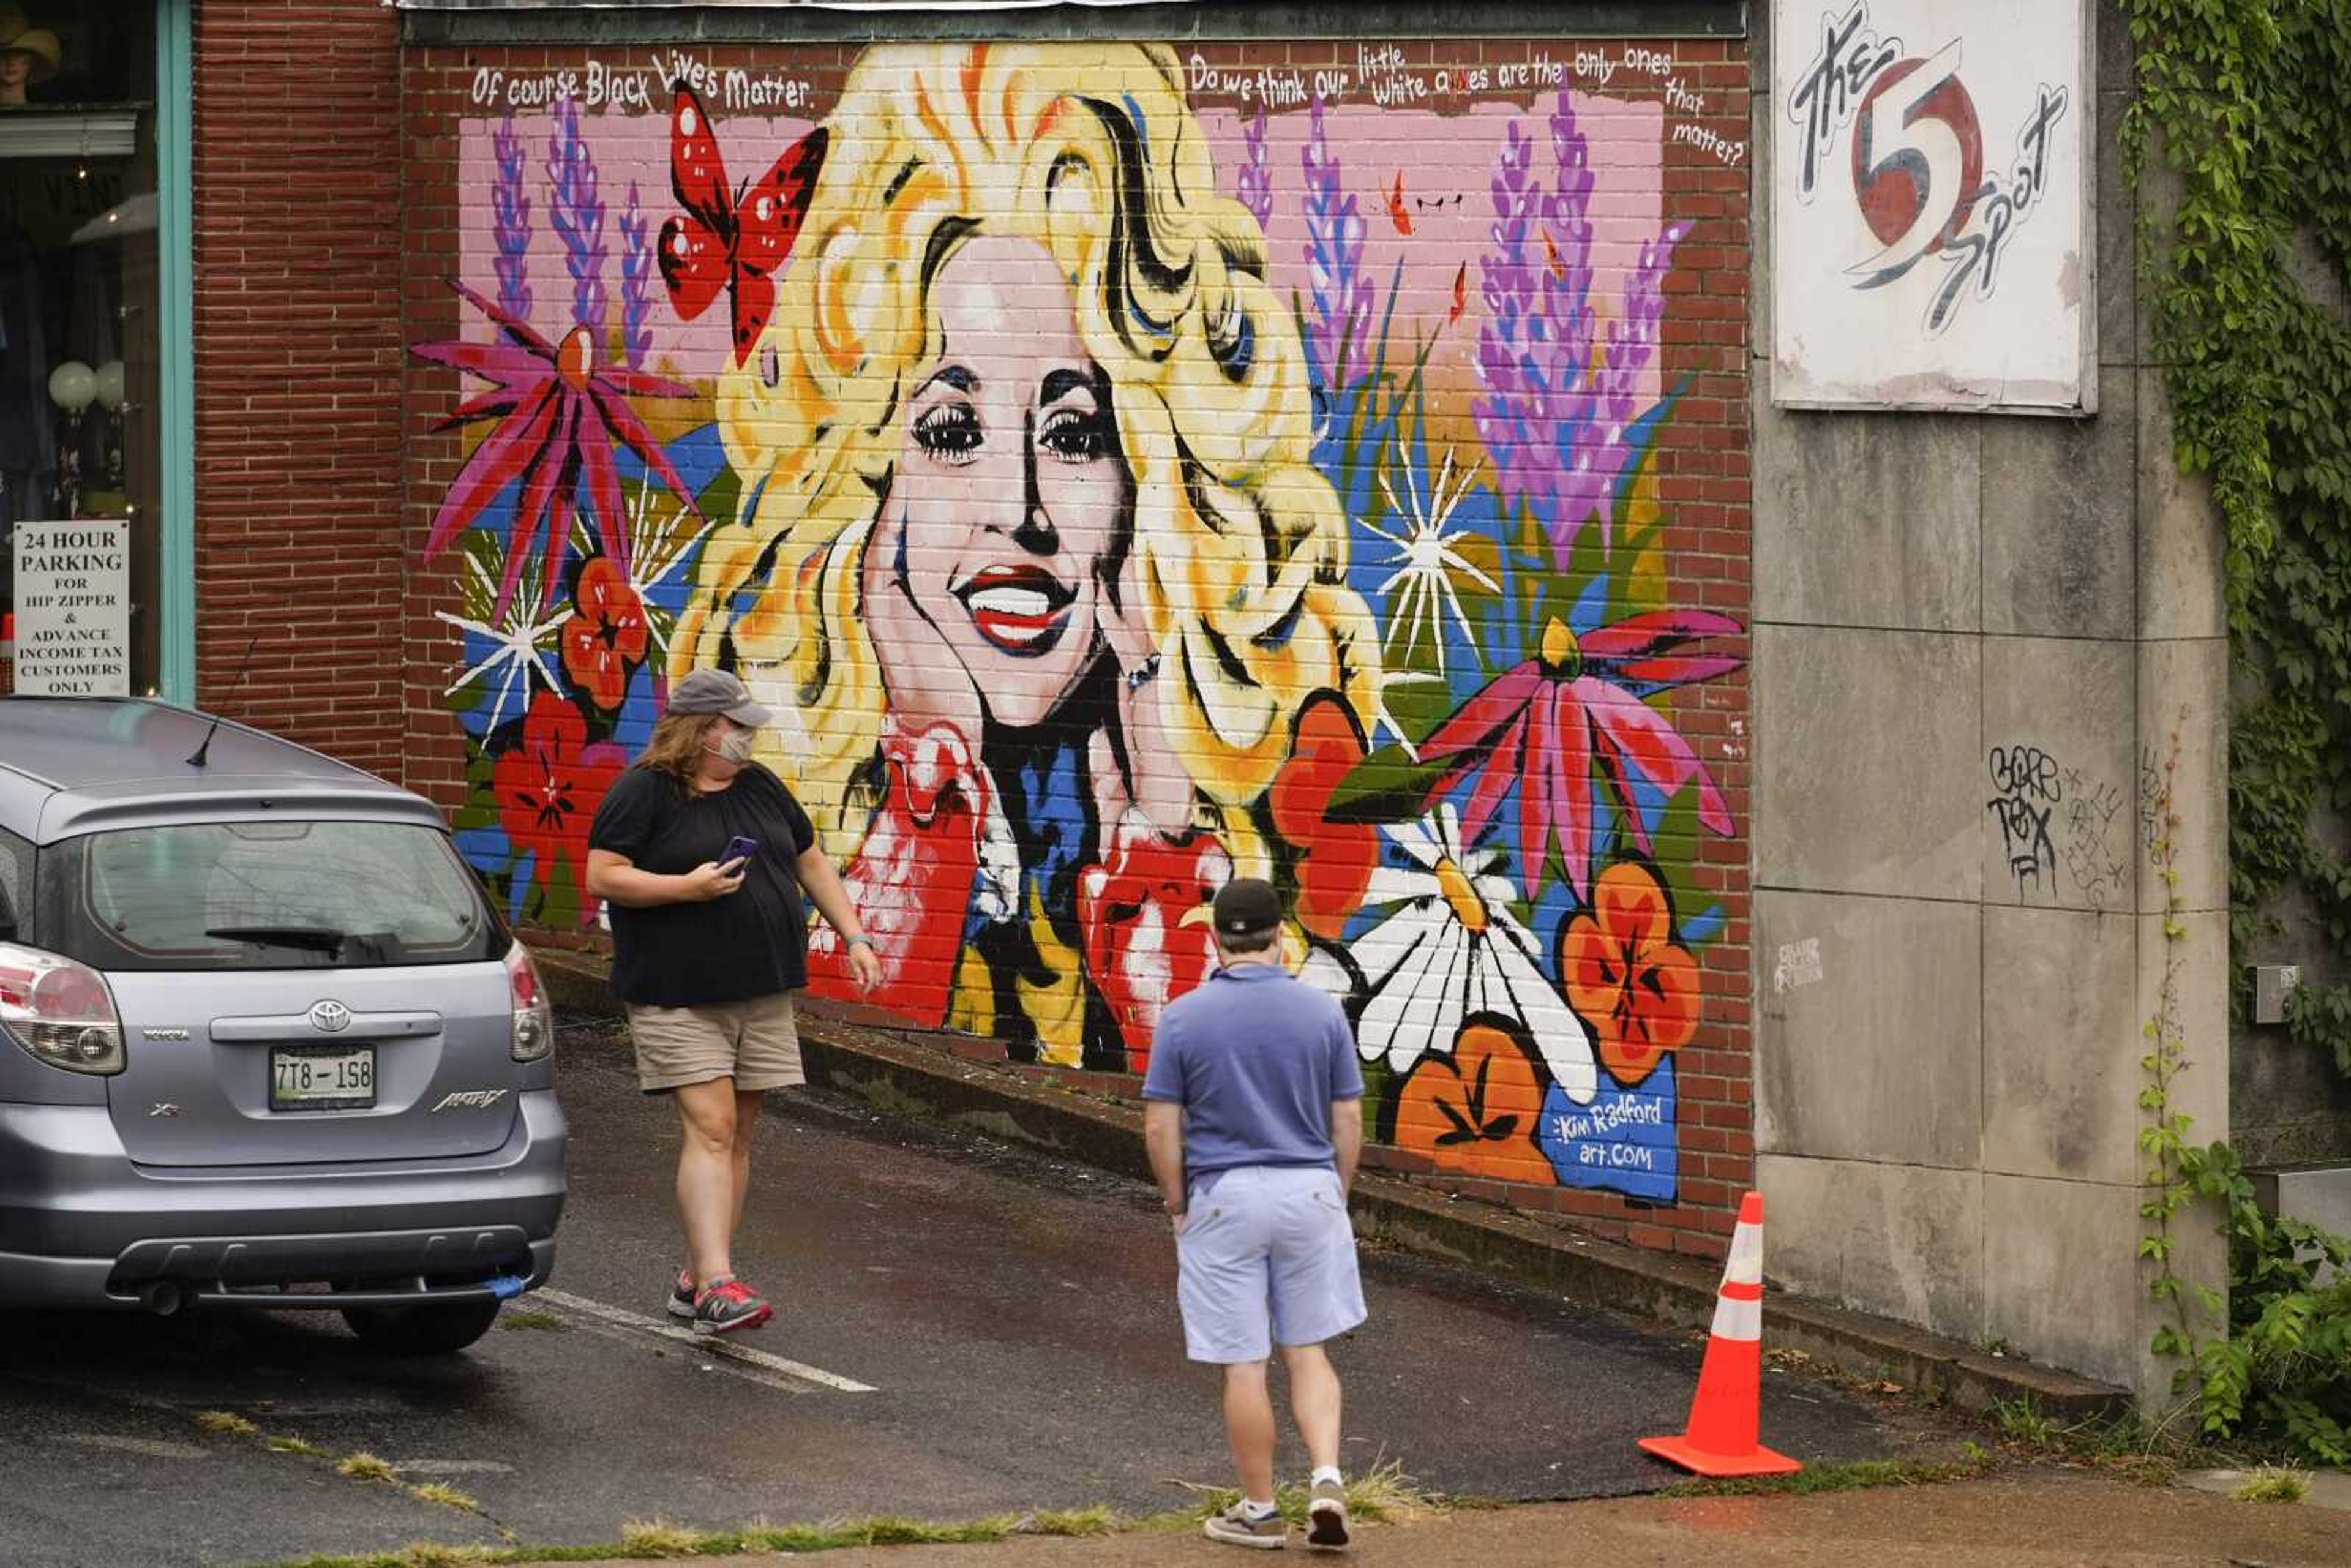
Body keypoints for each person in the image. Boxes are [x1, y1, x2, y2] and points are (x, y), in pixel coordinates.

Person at [672, 43, 1381, 1076]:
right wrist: (930, 776)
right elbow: (829, 1089)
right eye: (953, 433)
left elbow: (1221, 1099)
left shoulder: (1211, 839)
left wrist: (1163, 816)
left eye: (1075, 433)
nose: (1024, 513)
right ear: (867, 484)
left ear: (1157, 478)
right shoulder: (771, 813)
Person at [584, 669, 882, 1334]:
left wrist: (854, 934)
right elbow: (603, 874)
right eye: (736, 725)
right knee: (712, 1127)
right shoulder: (645, 792)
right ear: (701, 729)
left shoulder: (759, 786)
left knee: (739, 1134)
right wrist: (683, 887)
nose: (748, 735)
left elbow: (809, 860)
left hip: (762, 985)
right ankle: (719, 1282)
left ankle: (697, 1276)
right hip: (678, 990)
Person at [1142, 877, 1367, 1551]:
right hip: (1309, 1191)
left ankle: (1260, 1510)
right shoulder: (1320, 1013)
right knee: (1307, 1348)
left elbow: (1160, 1126)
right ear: (1280, 934)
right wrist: (1338, 1190)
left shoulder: (1183, 1016)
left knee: (1244, 1360)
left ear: (1216, 936)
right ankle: (1327, 1477)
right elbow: (1348, 1116)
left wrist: (1178, 1200)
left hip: (1223, 1195)